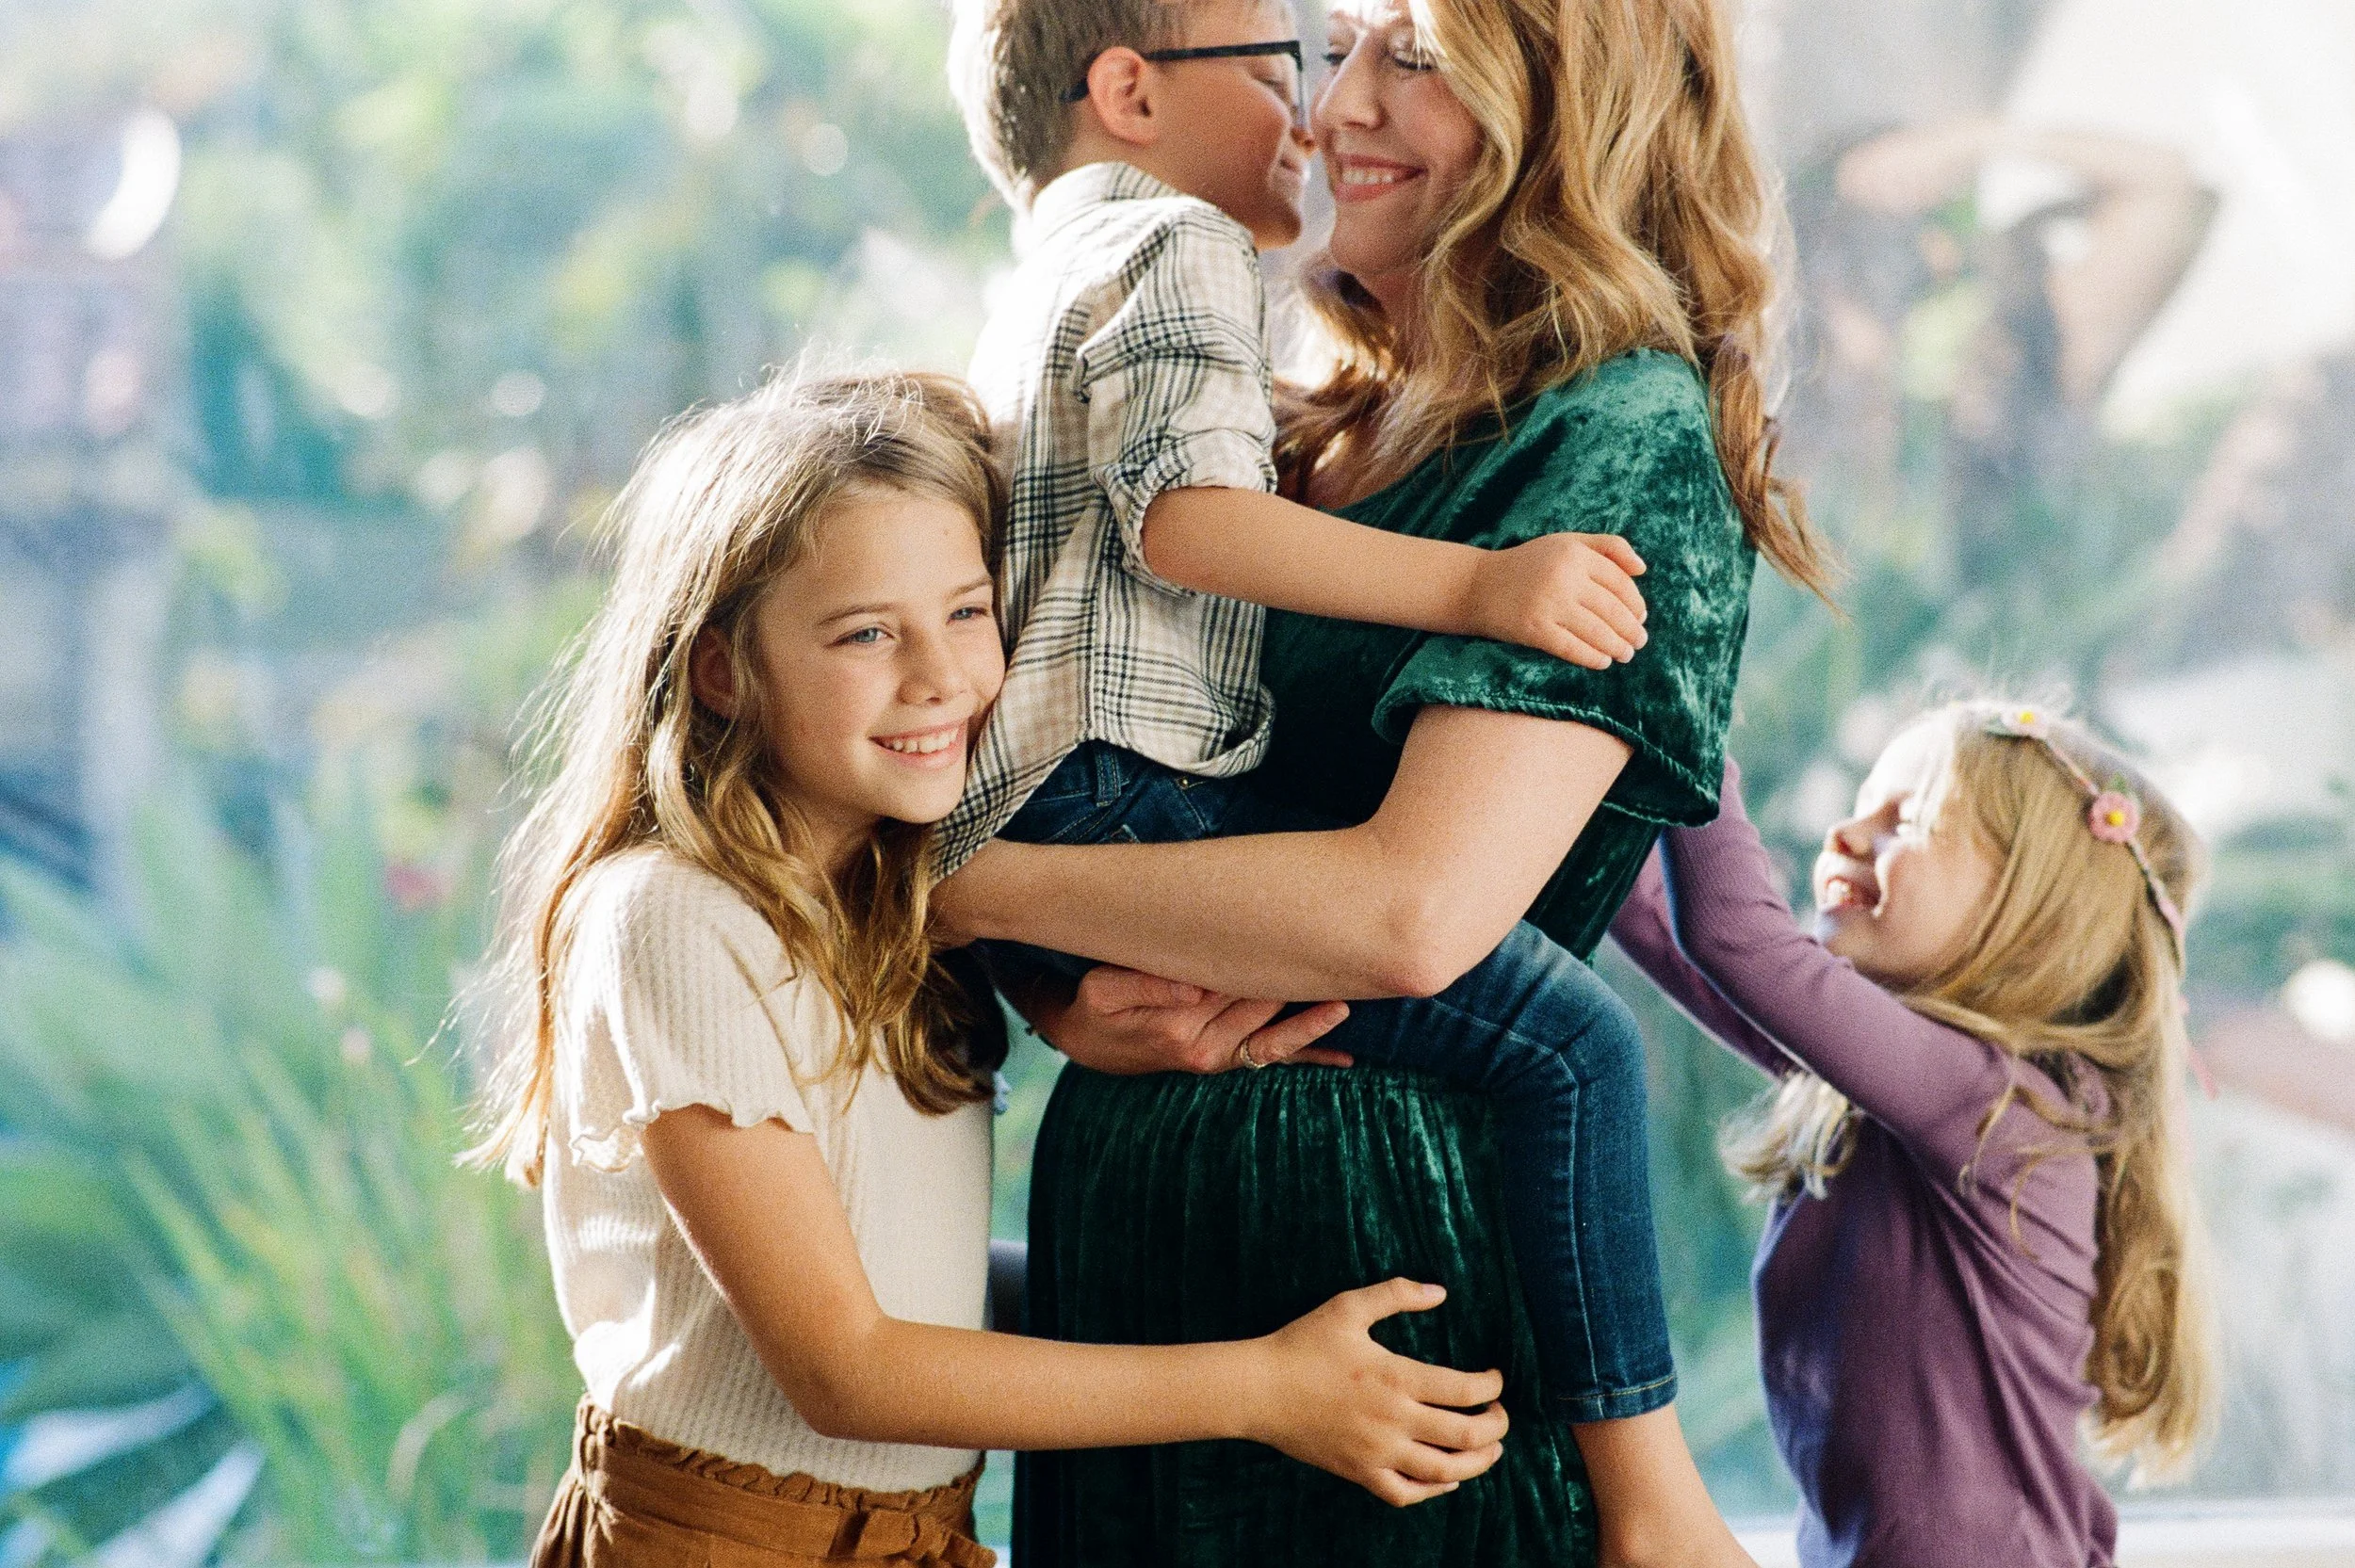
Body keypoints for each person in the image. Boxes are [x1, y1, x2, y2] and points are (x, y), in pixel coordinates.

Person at [936, 1, 1838, 1563]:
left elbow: (1413, 920)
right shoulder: (1300, 429)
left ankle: (1656, 1509)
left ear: (1566, 107)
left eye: (1409, 58)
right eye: (1333, 46)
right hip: (1159, 1288)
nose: (1334, 106)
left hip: (1395, 1322)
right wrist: (1072, 989)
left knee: (1579, 1049)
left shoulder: (1617, 439)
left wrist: (966, 897)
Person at [464, 370, 1514, 1568]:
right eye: (866, 633)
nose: (941, 677)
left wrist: (1223, 1279)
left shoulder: (896, 915)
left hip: (916, 1536)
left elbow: (910, 1280)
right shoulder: (672, 919)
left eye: (968, 613)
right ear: (718, 669)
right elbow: (848, 1370)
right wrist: (1257, 1387)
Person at [1609, 701, 2217, 1567]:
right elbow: (1662, 927)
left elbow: (1734, 940)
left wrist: (1684, 701)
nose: (1845, 834)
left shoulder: (2005, 1113)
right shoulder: (1903, 1102)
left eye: (1908, 820)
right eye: (1861, 804)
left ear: (2032, 916)